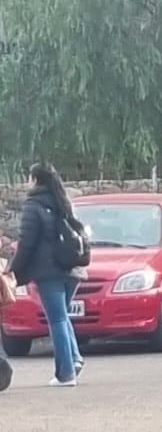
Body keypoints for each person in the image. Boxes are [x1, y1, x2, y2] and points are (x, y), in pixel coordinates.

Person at [10, 162, 85, 387]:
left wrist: (12, 270)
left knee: (57, 320)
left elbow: (26, 243)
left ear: (35, 179)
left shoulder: (34, 206)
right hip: (72, 269)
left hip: (48, 271)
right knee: (62, 317)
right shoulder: (63, 201)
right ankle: (74, 359)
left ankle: (66, 373)